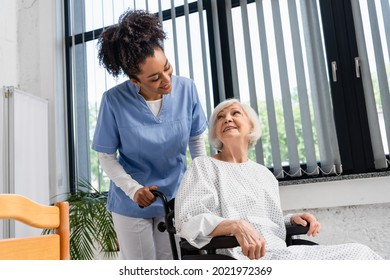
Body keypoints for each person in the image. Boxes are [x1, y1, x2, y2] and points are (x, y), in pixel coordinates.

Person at [174, 98, 383, 260]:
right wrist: (235, 226)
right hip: (242, 259)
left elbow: (262, 220)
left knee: (360, 253)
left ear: (252, 127)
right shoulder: (204, 166)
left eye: (235, 113)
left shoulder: (263, 174)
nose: (227, 118)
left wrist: (291, 219)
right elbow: (188, 220)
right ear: (215, 133)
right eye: (220, 117)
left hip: (280, 254)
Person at [92, 9, 208, 260]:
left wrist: (199, 185)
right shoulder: (113, 101)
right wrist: (134, 190)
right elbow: (106, 156)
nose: (167, 80)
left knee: (170, 264)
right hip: (132, 202)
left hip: (175, 199)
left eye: (167, 68)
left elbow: (196, 142)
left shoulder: (187, 89)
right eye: (155, 78)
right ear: (135, 81)